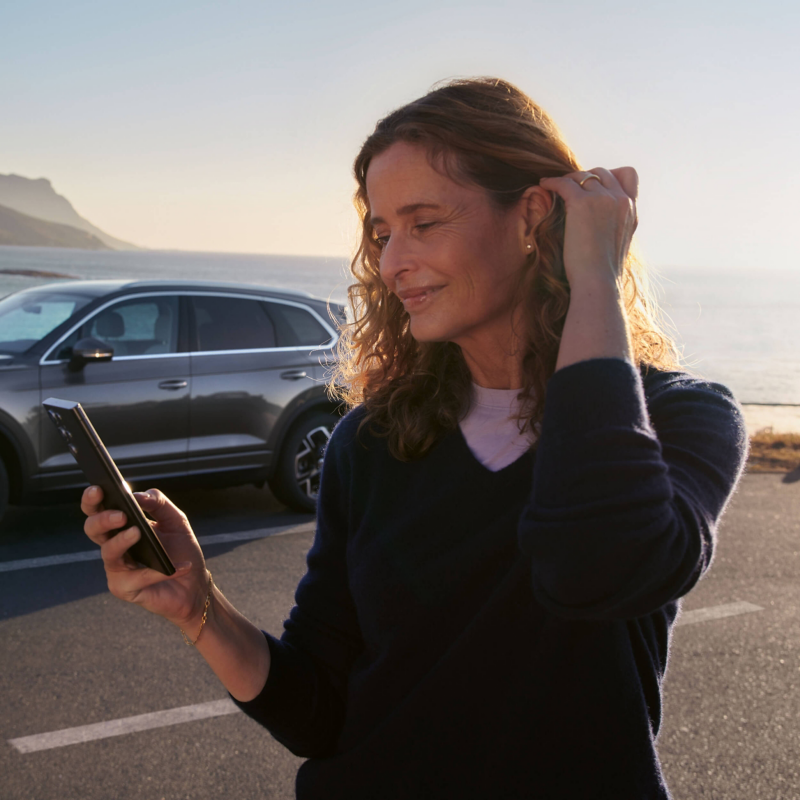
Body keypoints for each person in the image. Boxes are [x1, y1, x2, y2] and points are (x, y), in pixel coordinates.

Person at [82, 78, 749, 799]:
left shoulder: (678, 419)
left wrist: (593, 276)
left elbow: (592, 563)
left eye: (425, 223)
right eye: (381, 232)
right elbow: (320, 713)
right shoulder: (371, 442)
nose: (393, 262)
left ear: (533, 216)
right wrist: (198, 605)